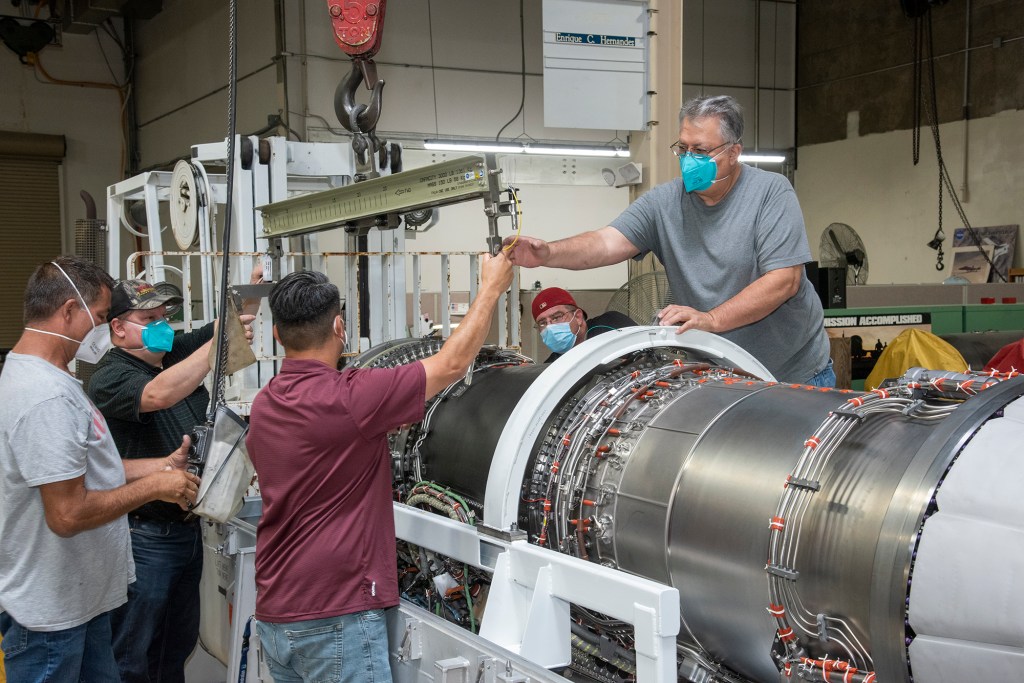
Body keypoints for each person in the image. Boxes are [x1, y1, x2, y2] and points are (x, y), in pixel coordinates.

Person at [246, 252, 513, 683]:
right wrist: (491, 287)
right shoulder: (350, 397)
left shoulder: (265, 402)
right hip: (337, 616)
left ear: (277, 334)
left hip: (278, 610)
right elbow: (450, 365)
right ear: (339, 326)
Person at [504, 94, 834, 386]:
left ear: (734, 152)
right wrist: (547, 253)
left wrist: (712, 319)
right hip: (720, 376)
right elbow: (607, 243)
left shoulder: (771, 194)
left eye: (701, 150)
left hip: (792, 375)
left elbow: (783, 281)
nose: (689, 159)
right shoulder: (664, 202)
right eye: (683, 148)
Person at [0, 257, 200, 683]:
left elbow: (81, 470)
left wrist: (159, 466)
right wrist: (154, 488)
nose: (103, 330)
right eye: (103, 317)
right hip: (52, 618)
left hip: (80, 602)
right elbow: (68, 514)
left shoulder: (55, 381)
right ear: (69, 311)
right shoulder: (45, 397)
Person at [86, 278, 255, 683]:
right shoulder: (109, 377)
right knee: (131, 652)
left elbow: (222, 330)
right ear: (119, 328)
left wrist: (251, 293)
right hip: (143, 537)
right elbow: (159, 394)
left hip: (186, 531)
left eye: (166, 317)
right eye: (150, 318)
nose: (163, 326)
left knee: (174, 647)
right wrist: (216, 351)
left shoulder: (169, 353)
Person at [532, 286, 636, 362]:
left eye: (557, 317)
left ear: (578, 317)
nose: (550, 327)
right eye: (543, 323)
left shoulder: (610, 325)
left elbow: (647, 354)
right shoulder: (550, 368)